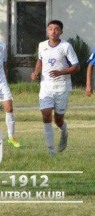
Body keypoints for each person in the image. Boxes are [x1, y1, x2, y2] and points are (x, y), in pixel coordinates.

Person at [30, 20, 79, 155]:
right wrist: (35, 72)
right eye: (50, 29)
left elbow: (76, 67)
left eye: (56, 29)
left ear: (61, 32)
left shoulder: (66, 46)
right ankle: (51, 150)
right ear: (47, 31)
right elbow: (40, 60)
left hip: (62, 87)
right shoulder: (42, 45)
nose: (53, 31)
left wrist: (61, 72)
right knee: (46, 115)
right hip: (46, 87)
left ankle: (64, 131)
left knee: (58, 120)